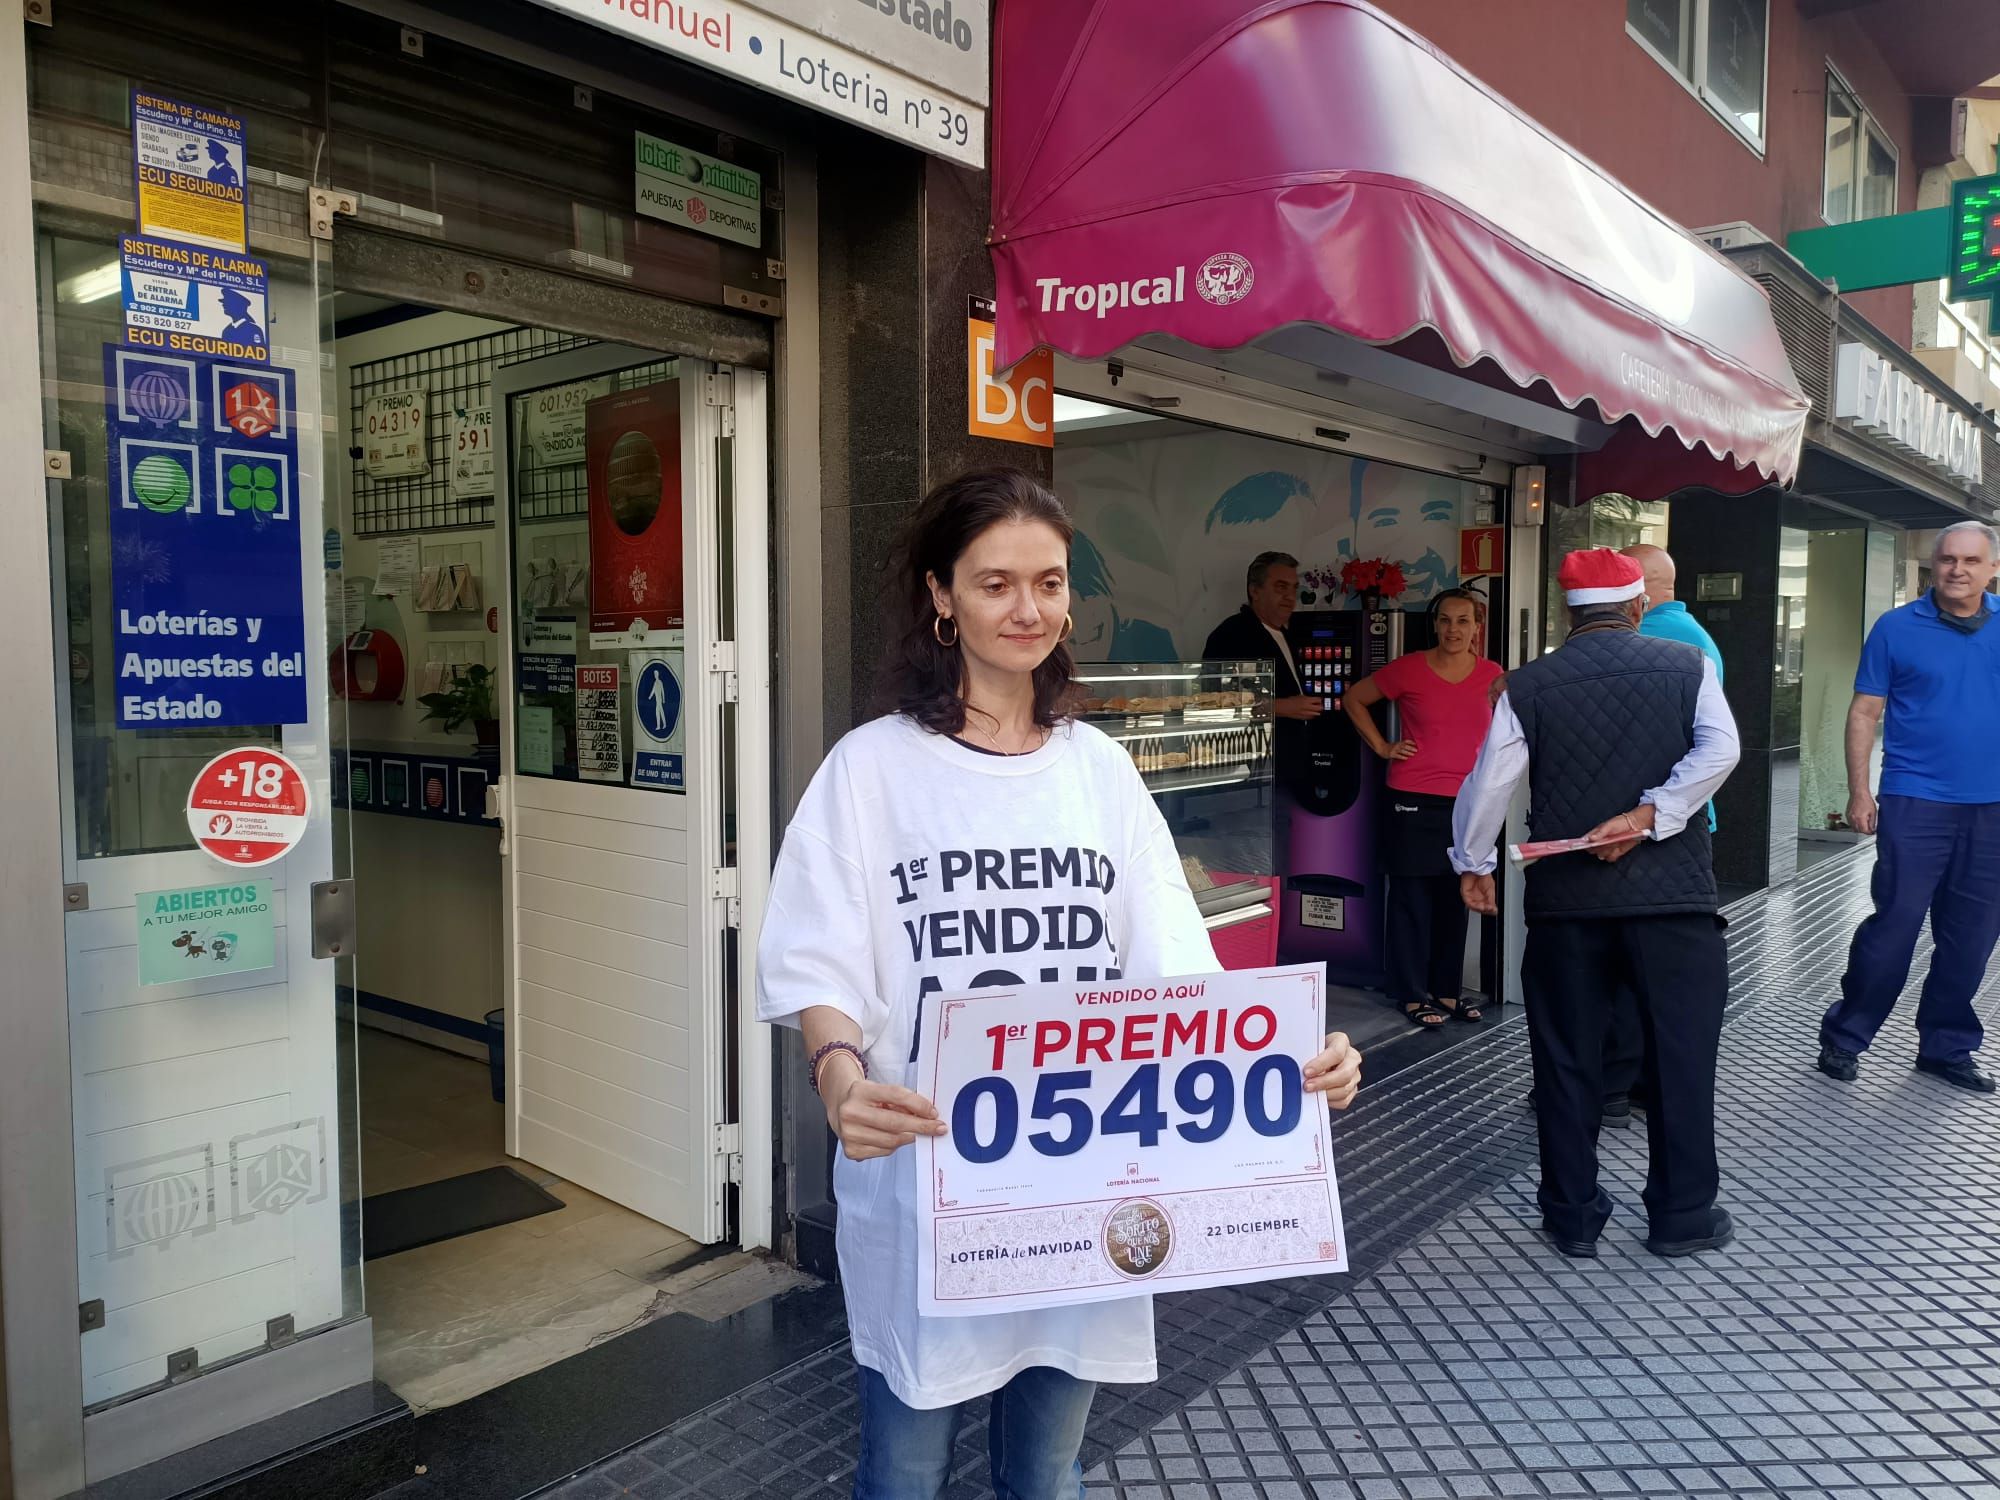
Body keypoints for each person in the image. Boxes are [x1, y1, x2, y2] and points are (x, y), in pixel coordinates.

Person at [756, 469, 1364, 1500]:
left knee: (1045, 1473)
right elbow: (819, 950)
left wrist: (1285, 1061)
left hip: (1085, 1189)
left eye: (1046, 582)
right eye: (994, 584)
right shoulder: (870, 770)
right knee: (901, 1471)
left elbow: (1172, 967)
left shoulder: (1098, 770)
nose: (1025, 609)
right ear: (940, 595)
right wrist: (836, 1074)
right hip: (927, 1181)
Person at [1454, 548, 1740, 1260]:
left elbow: (1489, 786)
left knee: (1565, 1059)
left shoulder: (1527, 685)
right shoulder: (1688, 667)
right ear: (1641, 607)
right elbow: (1722, 752)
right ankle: (1682, 1216)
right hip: (1673, 902)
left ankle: (1572, 1215)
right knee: (1679, 1059)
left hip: (1566, 907)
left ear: (1566, 614)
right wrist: (1651, 815)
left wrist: (1473, 862)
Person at [1817, 522, 2000, 1094]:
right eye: (1947, 559)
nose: (1957, 570)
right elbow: (1865, 712)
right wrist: (1859, 789)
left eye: (1971, 560)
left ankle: (1946, 1046)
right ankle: (1846, 1036)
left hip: (1992, 808)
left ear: (1992, 567)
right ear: (1933, 565)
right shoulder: (1896, 628)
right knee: (1893, 928)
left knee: (1972, 936)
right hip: (1915, 799)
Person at [1599, 544, 1726, 1125]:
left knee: (1625, 965)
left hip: (1644, 826)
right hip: (1683, 823)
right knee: (1657, 967)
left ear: (1640, 587)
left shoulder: (1659, 645)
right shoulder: (1697, 638)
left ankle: (1614, 1084)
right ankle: (1643, 1083)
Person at [1342, 589, 1502, 1028]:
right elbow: (1353, 698)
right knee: (1411, 899)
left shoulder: (1493, 676)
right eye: (1446, 620)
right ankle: (1411, 994)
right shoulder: (1409, 667)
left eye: (1463, 621)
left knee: (1458, 895)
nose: (1454, 629)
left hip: (1468, 801)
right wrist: (1382, 746)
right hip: (1411, 797)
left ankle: (1447, 990)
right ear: (1435, 625)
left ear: (1476, 627)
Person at [1203, 551, 1323, 876]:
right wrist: (1284, 707)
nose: (1289, 596)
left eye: (1293, 588)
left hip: (1284, 777)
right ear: (1254, 590)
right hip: (1249, 782)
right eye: (1280, 586)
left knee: (1280, 870)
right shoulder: (1231, 635)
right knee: (1256, 873)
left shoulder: (1287, 634)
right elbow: (1212, 703)